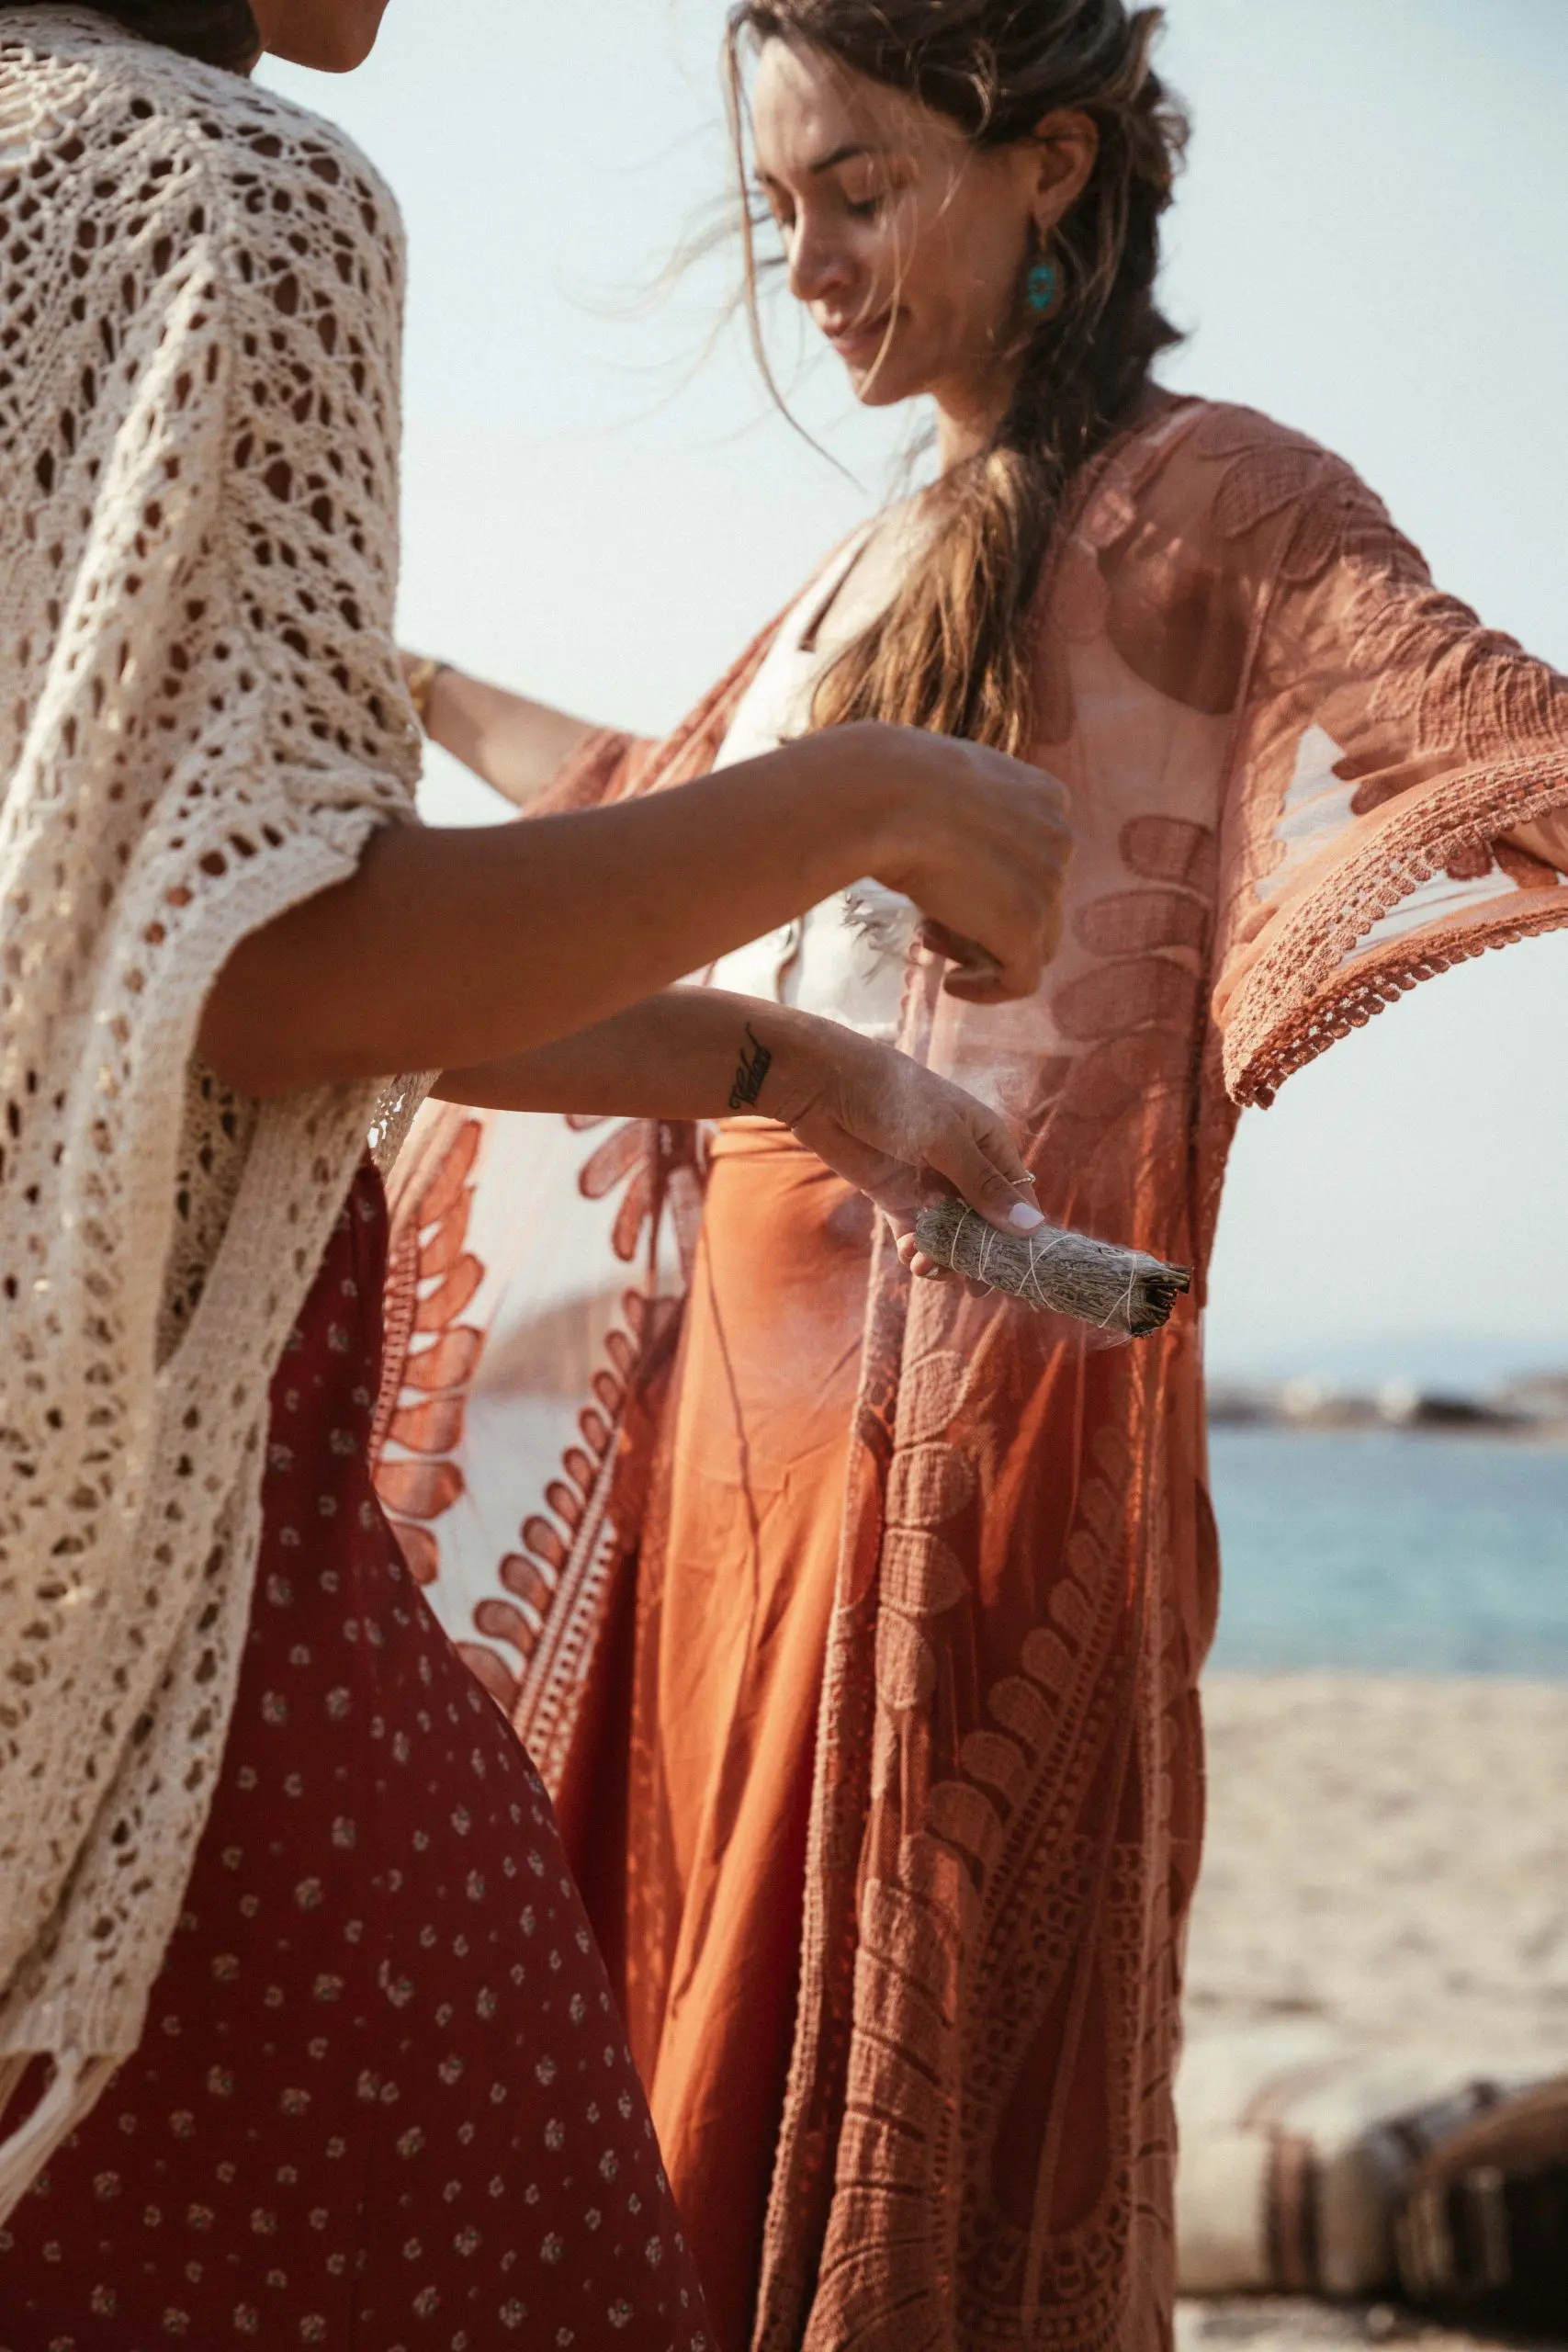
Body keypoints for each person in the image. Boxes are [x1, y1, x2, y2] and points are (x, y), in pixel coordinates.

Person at [388, 3, 1568, 2346]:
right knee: (687, 2054)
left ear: (1046, 168)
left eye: (856, 188)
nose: (804, 263)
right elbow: (655, 797)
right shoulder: (879, 549)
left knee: (904, 2067)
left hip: (973, 1430)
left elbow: (1504, 752)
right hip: (730, 1437)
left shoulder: (1222, 497)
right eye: (775, 207)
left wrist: (1237, 995)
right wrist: (402, 683)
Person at [0, 2, 1077, 2343]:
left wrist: (782, 1056)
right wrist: (867, 796)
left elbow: (129, 954)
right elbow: (267, 971)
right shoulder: (228, 194)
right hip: (172, 1637)